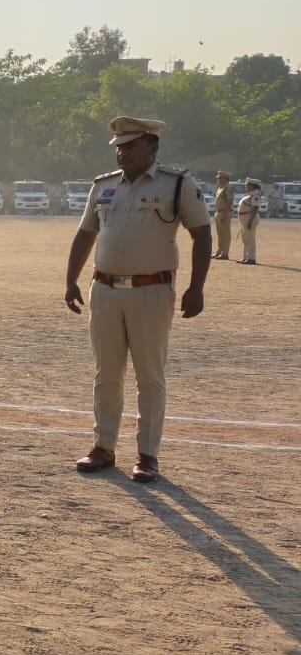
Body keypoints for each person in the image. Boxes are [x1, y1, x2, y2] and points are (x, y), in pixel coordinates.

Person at [65, 115, 210, 484]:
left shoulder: (178, 184)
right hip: (105, 290)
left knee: (149, 375)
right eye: (118, 147)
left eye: (130, 145)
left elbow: (202, 234)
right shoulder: (103, 186)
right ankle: (103, 446)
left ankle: (147, 454)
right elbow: (85, 234)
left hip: (152, 291)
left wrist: (196, 287)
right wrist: (71, 280)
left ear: (152, 146)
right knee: (106, 373)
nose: (122, 152)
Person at [237, 178, 262, 264]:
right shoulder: (249, 195)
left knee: (250, 238)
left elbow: (255, 208)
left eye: (247, 185)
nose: (246, 187)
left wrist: (250, 221)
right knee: (245, 238)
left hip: (250, 217)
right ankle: (245, 257)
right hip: (244, 218)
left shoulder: (255, 195)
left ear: (253, 186)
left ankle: (251, 258)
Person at [211, 171, 233, 259]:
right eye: (218, 178)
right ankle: (220, 250)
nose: (218, 179)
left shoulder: (228, 188)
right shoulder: (220, 188)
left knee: (225, 234)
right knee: (220, 233)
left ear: (225, 179)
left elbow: (229, 202)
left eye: (220, 178)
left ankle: (225, 253)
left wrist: (225, 214)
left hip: (224, 212)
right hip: (218, 212)